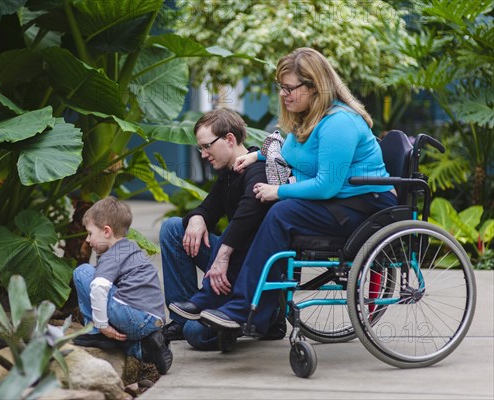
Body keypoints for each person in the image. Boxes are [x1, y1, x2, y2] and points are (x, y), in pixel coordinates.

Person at [196, 47, 399, 336]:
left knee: (281, 211)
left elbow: (327, 185)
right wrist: (257, 157)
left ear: (315, 87)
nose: (283, 94)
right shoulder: (307, 118)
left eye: (290, 87)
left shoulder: (338, 123)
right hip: (342, 203)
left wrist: (278, 191)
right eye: (281, 86)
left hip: (367, 208)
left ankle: (243, 308)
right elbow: (292, 153)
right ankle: (255, 309)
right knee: (276, 211)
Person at [161, 108, 281, 350]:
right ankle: (184, 317)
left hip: (252, 270)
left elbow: (249, 212)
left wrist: (222, 255)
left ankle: (267, 318)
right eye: (201, 148)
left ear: (229, 139)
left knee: (196, 333)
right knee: (174, 228)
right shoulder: (229, 172)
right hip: (233, 264)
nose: (203, 154)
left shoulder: (257, 168)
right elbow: (209, 207)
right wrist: (197, 218)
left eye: (207, 146)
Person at [72, 197, 173, 374]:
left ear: (106, 232)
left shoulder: (113, 255)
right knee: (115, 338)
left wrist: (102, 325)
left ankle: (95, 332)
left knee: (83, 272)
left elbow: (98, 287)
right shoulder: (130, 249)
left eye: (90, 233)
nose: (87, 240)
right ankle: (146, 349)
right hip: (152, 320)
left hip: (134, 317)